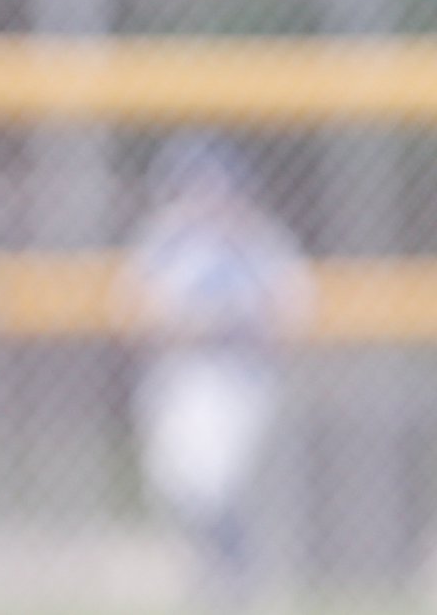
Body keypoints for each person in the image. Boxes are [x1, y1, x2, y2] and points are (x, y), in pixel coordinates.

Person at [115, 132, 312, 610]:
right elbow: (131, 316)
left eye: (217, 189)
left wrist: (231, 323)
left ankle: (236, 573)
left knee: (213, 480)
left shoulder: (259, 241)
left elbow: (293, 313)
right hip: (174, 381)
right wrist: (191, 325)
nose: (207, 201)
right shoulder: (164, 242)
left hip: (239, 382)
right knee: (177, 485)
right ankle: (225, 569)